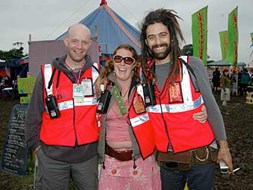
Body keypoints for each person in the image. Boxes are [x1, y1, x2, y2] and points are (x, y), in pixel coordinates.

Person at [139, 9, 233, 190]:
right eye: (152, 37)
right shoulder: (143, 73)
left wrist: (224, 147)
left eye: (162, 35)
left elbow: (212, 108)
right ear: (146, 41)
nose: (158, 42)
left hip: (199, 161)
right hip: (167, 163)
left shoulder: (192, 65)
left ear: (171, 37)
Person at [25, 23, 100, 190]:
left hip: (87, 158)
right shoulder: (47, 74)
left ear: (90, 44)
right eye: (74, 41)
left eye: (84, 42)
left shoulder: (98, 74)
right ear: (66, 42)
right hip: (52, 159)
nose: (79, 47)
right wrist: (37, 148)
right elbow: (33, 115)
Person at [97, 44, 161, 189]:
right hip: (111, 163)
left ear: (134, 65)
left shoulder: (145, 89)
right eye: (118, 59)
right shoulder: (102, 88)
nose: (122, 64)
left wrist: (200, 112)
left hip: (141, 162)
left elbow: (162, 115)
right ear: (113, 62)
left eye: (128, 60)